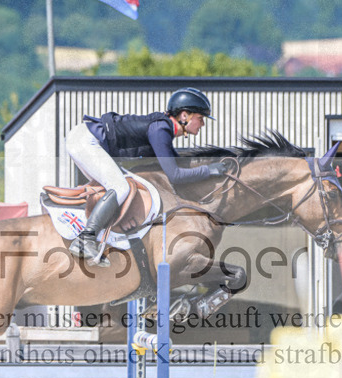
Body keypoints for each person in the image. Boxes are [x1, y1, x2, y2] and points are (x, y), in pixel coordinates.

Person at [63, 87, 228, 266]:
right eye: (200, 118)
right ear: (184, 116)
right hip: (86, 140)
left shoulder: (163, 129)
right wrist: (209, 171)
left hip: (89, 141)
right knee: (120, 188)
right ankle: (85, 240)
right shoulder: (161, 129)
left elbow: (175, 164)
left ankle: (102, 240)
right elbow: (175, 175)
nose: (202, 124)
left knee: (124, 187)